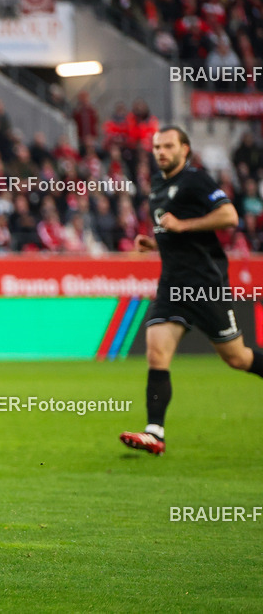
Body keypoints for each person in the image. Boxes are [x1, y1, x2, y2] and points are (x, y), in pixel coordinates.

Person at [120, 126, 262, 455]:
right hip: (172, 284)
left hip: (205, 285)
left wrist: (183, 225)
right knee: (156, 352)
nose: (161, 152)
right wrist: (154, 242)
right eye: (156, 147)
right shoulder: (157, 184)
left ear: (185, 149)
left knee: (237, 358)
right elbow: (173, 232)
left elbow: (229, 216)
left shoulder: (196, 179)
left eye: (168, 146)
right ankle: (154, 432)